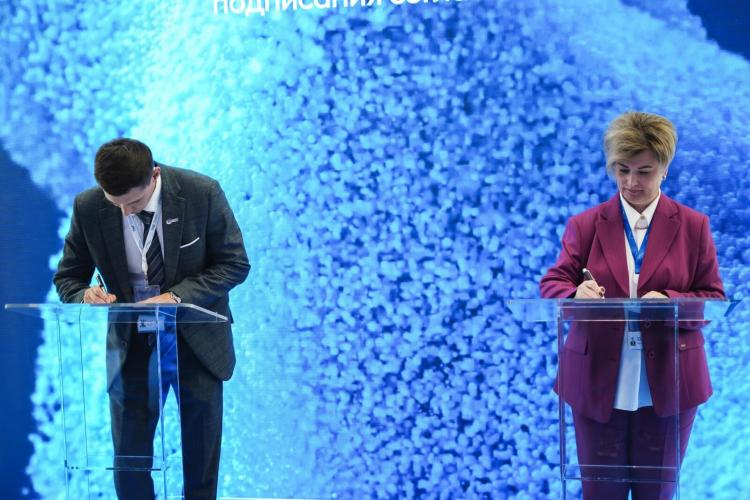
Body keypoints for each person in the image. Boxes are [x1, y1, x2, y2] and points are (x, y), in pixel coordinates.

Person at [540, 112, 724, 499]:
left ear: (665, 169)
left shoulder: (694, 226)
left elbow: (713, 297)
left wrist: (671, 301)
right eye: (622, 170)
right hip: (595, 378)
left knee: (657, 493)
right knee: (599, 493)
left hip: (672, 380)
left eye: (644, 171)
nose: (631, 182)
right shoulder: (585, 224)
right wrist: (575, 295)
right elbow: (552, 284)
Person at [54, 138, 250, 499]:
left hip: (196, 340)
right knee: (129, 461)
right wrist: (85, 294)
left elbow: (234, 264)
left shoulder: (201, 192)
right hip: (132, 345)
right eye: (115, 203)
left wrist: (176, 297)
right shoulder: (88, 206)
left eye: (134, 203)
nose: (125, 212)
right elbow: (68, 278)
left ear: (154, 175)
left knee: (200, 458)